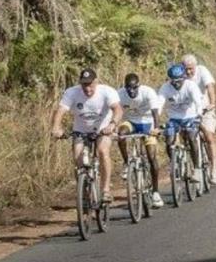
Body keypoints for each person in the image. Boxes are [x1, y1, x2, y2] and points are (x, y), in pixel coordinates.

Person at [50, 67, 122, 207]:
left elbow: (118, 109)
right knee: (78, 159)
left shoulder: (107, 91)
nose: (87, 88)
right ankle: (84, 192)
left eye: (90, 84)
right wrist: (56, 128)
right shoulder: (72, 92)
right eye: (84, 84)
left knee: (102, 151)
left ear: (96, 82)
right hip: (81, 130)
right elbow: (60, 111)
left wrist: (112, 125)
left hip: (103, 129)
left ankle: (106, 189)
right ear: (80, 83)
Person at [117, 73, 165, 209]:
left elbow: (155, 113)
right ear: (124, 87)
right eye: (128, 88)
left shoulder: (148, 92)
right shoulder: (119, 94)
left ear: (139, 85)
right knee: (120, 134)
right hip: (131, 122)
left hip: (147, 124)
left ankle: (155, 192)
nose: (131, 91)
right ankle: (127, 163)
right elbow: (114, 111)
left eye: (134, 88)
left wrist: (156, 129)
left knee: (151, 157)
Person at [158, 63, 205, 183]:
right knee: (169, 141)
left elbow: (198, 102)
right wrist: (156, 120)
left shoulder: (191, 86)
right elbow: (159, 104)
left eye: (179, 80)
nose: (176, 83)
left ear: (184, 77)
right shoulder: (165, 88)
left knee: (191, 137)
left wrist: (199, 115)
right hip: (174, 118)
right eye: (173, 81)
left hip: (191, 116)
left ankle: (197, 169)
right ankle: (174, 162)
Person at [182, 53, 216, 184]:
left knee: (208, 137)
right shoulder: (180, 76)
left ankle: (214, 170)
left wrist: (212, 103)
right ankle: (190, 166)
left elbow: (210, 87)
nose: (188, 71)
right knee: (185, 137)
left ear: (195, 66)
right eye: (186, 68)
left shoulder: (202, 71)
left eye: (190, 68)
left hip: (205, 109)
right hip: (188, 112)